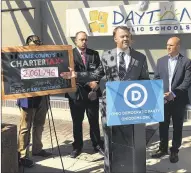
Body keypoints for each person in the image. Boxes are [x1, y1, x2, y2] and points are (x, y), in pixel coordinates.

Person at [60, 26, 149, 173]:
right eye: (122, 36)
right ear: (115, 39)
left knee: (129, 139)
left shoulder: (140, 57)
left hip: (131, 106)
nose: (126, 38)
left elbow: (145, 80)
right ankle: (110, 168)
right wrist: (76, 75)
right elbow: (96, 74)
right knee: (110, 139)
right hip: (111, 105)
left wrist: (155, 95)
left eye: (127, 36)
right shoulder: (107, 56)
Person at [152, 36, 191, 163]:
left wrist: (173, 94)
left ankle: (174, 150)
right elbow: (156, 79)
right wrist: (159, 93)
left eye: (171, 45)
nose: (168, 47)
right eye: (167, 45)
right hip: (163, 100)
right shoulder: (160, 61)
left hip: (178, 100)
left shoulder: (186, 62)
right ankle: (162, 148)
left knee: (177, 126)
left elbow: (187, 82)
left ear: (178, 46)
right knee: (163, 125)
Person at [65, 31, 104, 158]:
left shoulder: (94, 54)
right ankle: (77, 147)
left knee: (93, 120)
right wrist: (89, 81)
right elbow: (70, 74)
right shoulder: (69, 55)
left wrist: (97, 82)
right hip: (77, 94)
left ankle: (97, 144)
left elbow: (100, 71)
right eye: (81, 40)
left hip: (92, 93)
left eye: (86, 39)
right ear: (75, 41)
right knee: (77, 122)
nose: (84, 42)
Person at [17, 35, 52, 168]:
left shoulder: (44, 58)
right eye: (33, 46)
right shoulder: (20, 58)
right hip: (28, 98)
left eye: (38, 45)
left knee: (40, 125)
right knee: (25, 127)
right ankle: (22, 154)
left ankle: (37, 149)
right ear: (27, 46)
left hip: (42, 97)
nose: (36, 48)